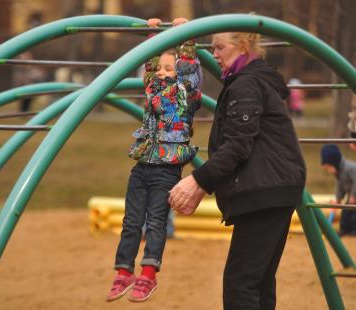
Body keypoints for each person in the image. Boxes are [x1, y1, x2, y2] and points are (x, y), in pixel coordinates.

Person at [169, 31, 306, 310]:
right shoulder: (252, 81)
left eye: (219, 47)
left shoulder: (247, 85)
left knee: (240, 284)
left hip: (264, 191)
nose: (214, 53)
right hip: (274, 189)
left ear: (243, 46)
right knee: (258, 282)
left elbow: (238, 145)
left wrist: (197, 181)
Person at [106, 17, 202, 302]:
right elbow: (148, 69)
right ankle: (124, 272)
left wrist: (183, 36)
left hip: (167, 170)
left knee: (156, 223)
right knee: (131, 222)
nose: (162, 72)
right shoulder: (152, 92)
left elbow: (189, 71)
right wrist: (152, 37)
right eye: (159, 68)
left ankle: (148, 274)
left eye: (168, 68)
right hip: (142, 166)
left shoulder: (187, 95)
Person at [321, 144, 356, 236]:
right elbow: (340, 186)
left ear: (335, 162)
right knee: (345, 211)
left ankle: (353, 232)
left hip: (354, 194)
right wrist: (338, 199)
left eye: (329, 166)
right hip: (351, 197)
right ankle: (344, 230)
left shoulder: (350, 168)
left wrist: (353, 195)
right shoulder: (338, 173)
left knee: (354, 214)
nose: (328, 170)